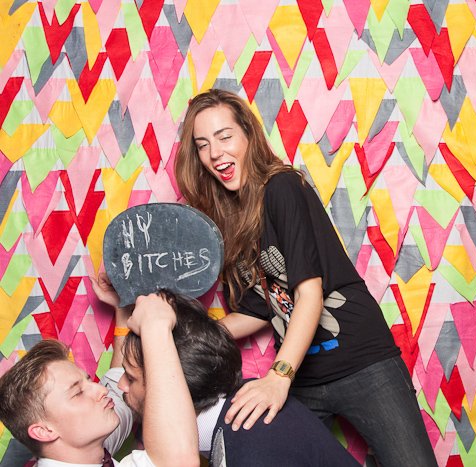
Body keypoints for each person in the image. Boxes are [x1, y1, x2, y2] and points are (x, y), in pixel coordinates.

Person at [175, 88, 437, 467]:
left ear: (248, 135)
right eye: (203, 145)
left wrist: (278, 376)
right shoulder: (231, 218)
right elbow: (261, 309)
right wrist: (181, 338)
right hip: (305, 378)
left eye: (224, 136)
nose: (215, 153)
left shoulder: (282, 186)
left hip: (362, 364)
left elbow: (309, 294)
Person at [111, 288, 359, 466]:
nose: (120, 385)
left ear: (174, 384)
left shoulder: (251, 447)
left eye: (131, 378)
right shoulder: (243, 405)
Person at [0, 292, 200, 467]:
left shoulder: (85, 449)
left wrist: (122, 313)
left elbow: (117, 393)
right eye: (78, 392)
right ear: (44, 431)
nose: (100, 389)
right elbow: (179, 461)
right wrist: (155, 325)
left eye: (88, 381)